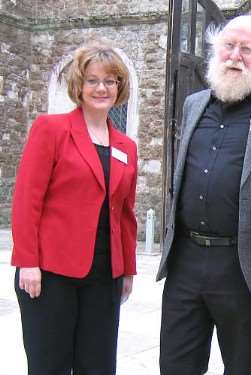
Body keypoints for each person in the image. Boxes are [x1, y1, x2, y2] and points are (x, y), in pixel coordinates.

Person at [156, 15, 251, 375]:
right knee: (175, 365)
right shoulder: (194, 104)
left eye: (247, 49)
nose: (235, 56)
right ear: (215, 50)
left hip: (244, 266)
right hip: (185, 259)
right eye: (229, 46)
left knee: (241, 368)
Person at [11, 41, 138, 375]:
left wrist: (127, 269)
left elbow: (125, 212)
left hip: (103, 276)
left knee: (97, 366)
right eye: (92, 80)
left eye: (109, 81)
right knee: (49, 366)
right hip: (51, 275)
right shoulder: (51, 129)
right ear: (78, 86)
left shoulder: (126, 146)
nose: (101, 88)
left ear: (119, 87)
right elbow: (27, 199)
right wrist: (28, 262)